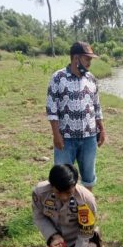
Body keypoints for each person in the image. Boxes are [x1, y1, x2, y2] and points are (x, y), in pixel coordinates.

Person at [46, 41, 105, 191]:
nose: (90, 63)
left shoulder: (91, 79)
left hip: (89, 138)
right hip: (66, 138)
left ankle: (85, 207)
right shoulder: (58, 78)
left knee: (89, 177)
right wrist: (56, 135)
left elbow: (96, 106)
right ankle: (63, 210)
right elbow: (51, 109)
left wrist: (102, 129)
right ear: (76, 58)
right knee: (62, 178)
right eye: (87, 59)